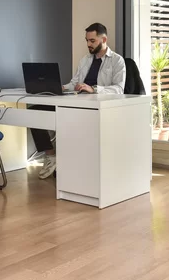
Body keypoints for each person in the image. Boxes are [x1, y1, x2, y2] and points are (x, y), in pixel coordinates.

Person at [33, 23, 127, 179]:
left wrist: (94, 89)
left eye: (92, 41)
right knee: (35, 111)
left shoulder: (117, 61)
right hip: (75, 102)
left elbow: (119, 89)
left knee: (69, 124)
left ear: (104, 39)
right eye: (87, 40)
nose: (88, 44)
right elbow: (74, 83)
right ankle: (51, 155)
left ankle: (73, 164)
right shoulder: (85, 60)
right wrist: (62, 87)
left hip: (97, 108)